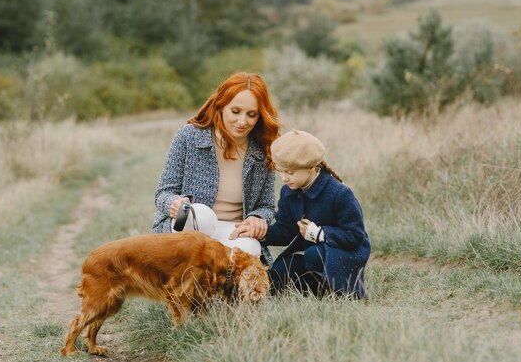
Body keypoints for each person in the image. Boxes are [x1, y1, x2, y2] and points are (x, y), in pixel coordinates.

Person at [151, 72, 280, 263]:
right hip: (190, 228)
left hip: (232, 230)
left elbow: (266, 206)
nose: (243, 122)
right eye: (235, 111)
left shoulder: (263, 149)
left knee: (250, 247)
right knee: (202, 215)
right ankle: (186, 279)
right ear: (221, 105)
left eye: (251, 115)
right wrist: (174, 204)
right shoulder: (189, 136)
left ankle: (221, 286)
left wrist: (257, 218)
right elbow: (163, 193)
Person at [248, 130, 371, 298]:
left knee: (314, 255)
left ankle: (339, 292)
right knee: (277, 273)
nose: (284, 178)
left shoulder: (340, 193)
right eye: (280, 171)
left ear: (311, 168)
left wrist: (320, 234)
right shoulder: (288, 191)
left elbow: (356, 236)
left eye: (290, 172)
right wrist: (260, 233)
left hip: (343, 254)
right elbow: (285, 231)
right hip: (310, 254)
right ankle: (313, 290)